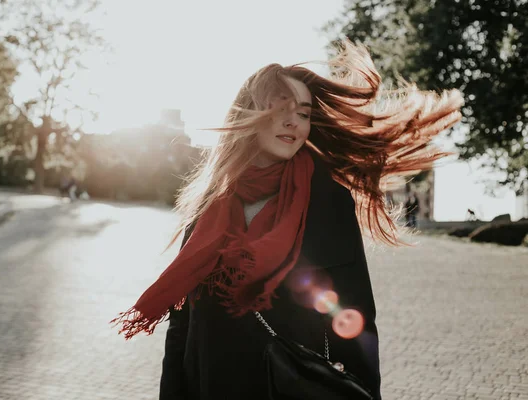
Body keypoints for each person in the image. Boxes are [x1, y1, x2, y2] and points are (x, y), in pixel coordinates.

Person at [111, 41, 463, 400]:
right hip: (208, 383)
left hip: (282, 389)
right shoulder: (211, 202)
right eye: (280, 108)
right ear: (249, 113)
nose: (294, 122)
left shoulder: (327, 201)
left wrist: (364, 393)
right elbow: (183, 323)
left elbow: (354, 319)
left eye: (305, 113)